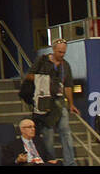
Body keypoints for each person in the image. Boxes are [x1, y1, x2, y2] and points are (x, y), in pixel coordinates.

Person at [31, 38, 78, 166]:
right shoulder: (42, 61)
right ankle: (50, 162)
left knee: (66, 131)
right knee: (48, 134)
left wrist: (71, 104)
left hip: (60, 101)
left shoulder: (65, 65)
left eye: (64, 52)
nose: (61, 54)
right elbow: (30, 78)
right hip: (44, 103)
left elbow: (68, 86)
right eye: (59, 52)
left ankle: (70, 162)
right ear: (53, 49)